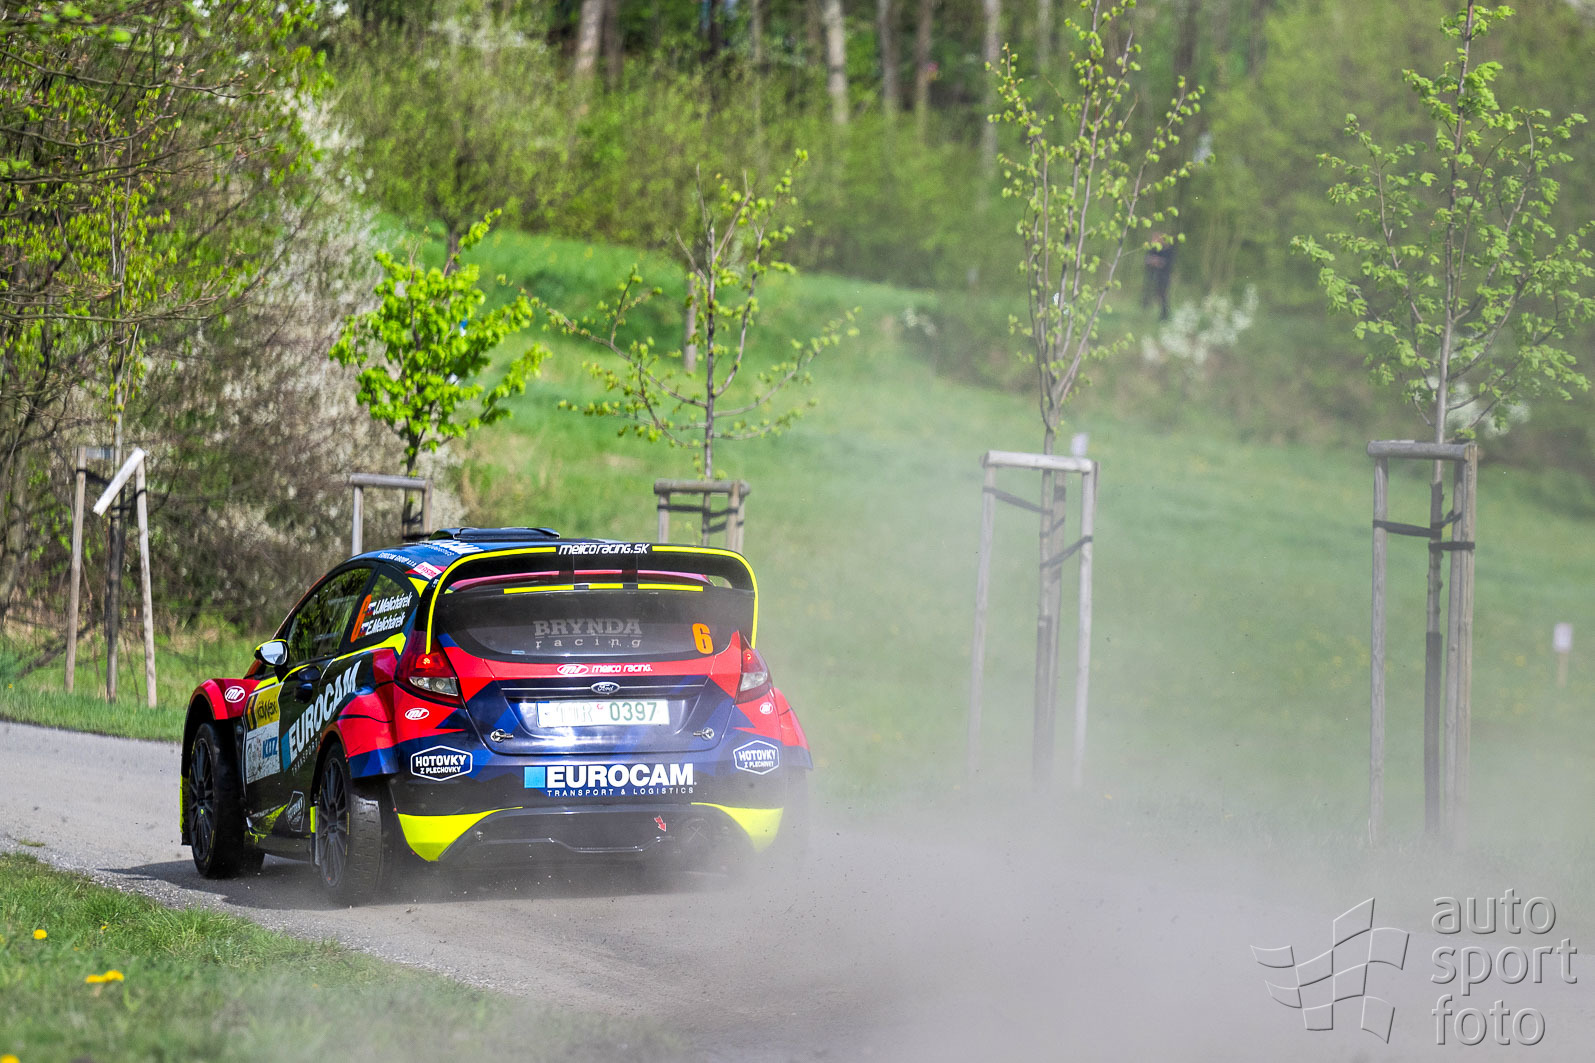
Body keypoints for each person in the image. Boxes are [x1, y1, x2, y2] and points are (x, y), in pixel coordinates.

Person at [1143, 232, 1176, 321]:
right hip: (1154, 276)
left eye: (1156, 239)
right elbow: (1147, 260)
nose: (1153, 241)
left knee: (1162, 295)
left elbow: (1165, 263)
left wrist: (1156, 261)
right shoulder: (1153, 249)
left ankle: (1165, 314)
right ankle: (1146, 307)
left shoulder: (1168, 250)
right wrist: (1153, 261)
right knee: (1152, 293)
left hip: (1164, 276)